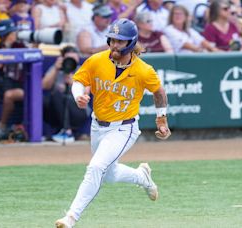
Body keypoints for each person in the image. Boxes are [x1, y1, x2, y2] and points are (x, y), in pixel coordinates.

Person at [55, 18, 171, 228]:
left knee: (96, 167)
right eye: (112, 39)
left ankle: (71, 217)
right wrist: (78, 95)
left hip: (124, 127)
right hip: (98, 126)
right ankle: (142, 177)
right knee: (108, 174)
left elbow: (159, 92)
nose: (115, 45)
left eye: (120, 41)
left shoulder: (144, 70)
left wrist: (161, 118)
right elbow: (79, 81)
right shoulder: (97, 60)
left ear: (131, 43)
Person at [42, 46, 90, 143]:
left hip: (78, 110)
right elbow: (44, 86)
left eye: (74, 59)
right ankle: (64, 131)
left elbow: (86, 94)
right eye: (69, 58)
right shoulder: (56, 69)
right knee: (51, 96)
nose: (71, 62)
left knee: (58, 95)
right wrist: (56, 69)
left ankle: (67, 132)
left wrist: (73, 84)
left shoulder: (82, 70)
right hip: (56, 112)